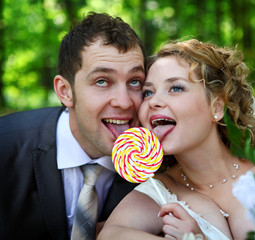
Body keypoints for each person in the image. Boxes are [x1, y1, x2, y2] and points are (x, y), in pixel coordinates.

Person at [97, 39, 255, 240]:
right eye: (148, 93)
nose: (154, 102)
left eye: (176, 88)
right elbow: (110, 234)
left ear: (217, 107)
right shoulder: (161, 190)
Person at [0, 12, 146, 240]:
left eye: (134, 81)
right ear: (65, 91)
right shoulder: (5, 146)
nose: (125, 101)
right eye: (102, 81)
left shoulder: (159, 166)